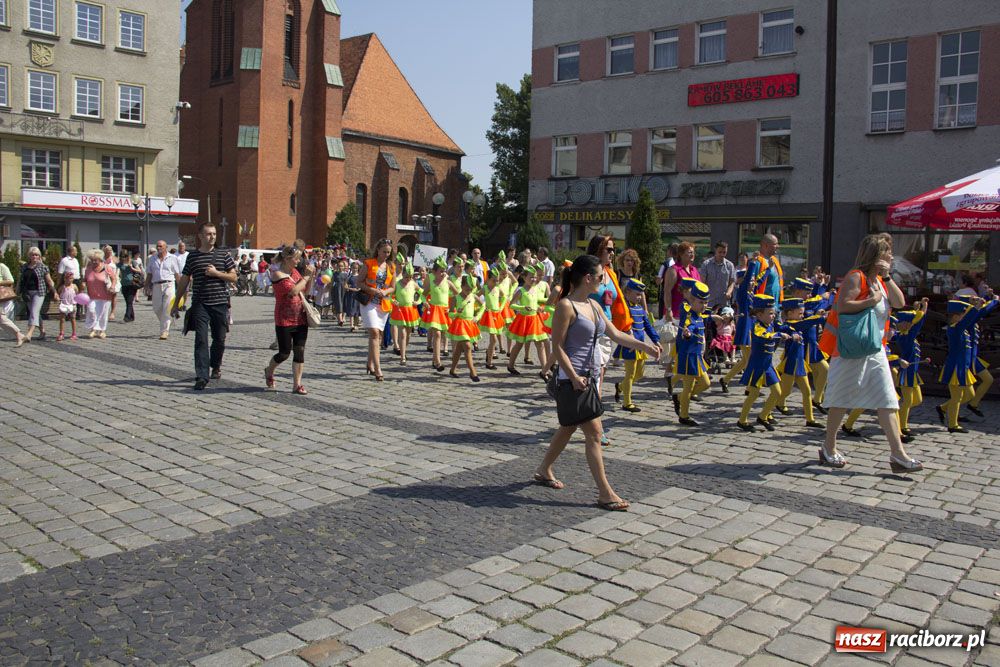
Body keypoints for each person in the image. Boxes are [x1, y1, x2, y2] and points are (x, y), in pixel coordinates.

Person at [533, 255, 660, 512]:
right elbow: (556, 346)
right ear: (588, 278)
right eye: (601, 277)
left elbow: (615, 334)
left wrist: (645, 345)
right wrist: (572, 376)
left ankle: (544, 469)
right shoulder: (566, 306)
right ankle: (605, 493)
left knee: (568, 427)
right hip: (572, 381)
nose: (605, 282)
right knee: (594, 433)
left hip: (587, 379)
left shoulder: (594, 305)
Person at [816, 233, 922, 473]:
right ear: (876, 255)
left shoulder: (880, 280)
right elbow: (843, 306)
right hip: (850, 350)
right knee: (840, 401)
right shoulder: (857, 277)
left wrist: (886, 277)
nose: (892, 256)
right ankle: (828, 447)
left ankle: (898, 455)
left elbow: (899, 301)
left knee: (888, 400)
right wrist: (870, 300)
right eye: (887, 252)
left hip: (875, 351)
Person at [171, 222, 238, 390]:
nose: (212, 237)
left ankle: (215, 365)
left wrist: (217, 273)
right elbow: (185, 279)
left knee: (219, 339)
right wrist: (177, 302)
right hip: (200, 303)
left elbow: (234, 277)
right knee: (200, 339)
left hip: (220, 303)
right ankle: (201, 376)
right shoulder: (192, 257)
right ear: (200, 236)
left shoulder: (224, 255)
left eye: (214, 234)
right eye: (208, 234)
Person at [936, 296, 998, 432]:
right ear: (954, 317)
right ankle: (952, 425)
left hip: (963, 367)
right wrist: (976, 306)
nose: (964, 317)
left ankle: (942, 408)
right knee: (957, 397)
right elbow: (969, 318)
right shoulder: (956, 329)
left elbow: (969, 319)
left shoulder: (960, 328)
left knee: (969, 395)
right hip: (956, 368)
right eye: (961, 315)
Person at [736, 295, 796, 432]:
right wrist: (779, 335)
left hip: (768, 366)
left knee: (777, 392)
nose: (773, 315)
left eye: (774, 312)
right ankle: (742, 420)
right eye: (770, 313)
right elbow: (764, 335)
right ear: (759, 314)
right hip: (757, 366)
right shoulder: (757, 326)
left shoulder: (770, 324)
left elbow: (783, 327)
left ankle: (763, 416)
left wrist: (792, 331)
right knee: (753, 394)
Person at [264, 245, 316, 394]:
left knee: (299, 351)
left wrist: (310, 277)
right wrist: (305, 277)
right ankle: (269, 370)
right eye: (296, 258)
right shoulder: (277, 274)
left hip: (300, 317)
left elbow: (305, 290)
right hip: (284, 319)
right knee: (284, 353)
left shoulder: (295, 273)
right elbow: (293, 291)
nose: (299, 261)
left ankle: (297, 385)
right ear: (287, 259)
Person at [773, 298, 824, 428]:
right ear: (790, 314)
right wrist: (820, 317)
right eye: (800, 313)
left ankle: (810, 419)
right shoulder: (791, 325)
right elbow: (808, 322)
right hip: (791, 364)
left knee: (807, 391)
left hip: (800, 364)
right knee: (784, 392)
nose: (802, 316)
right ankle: (766, 413)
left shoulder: (797, 323)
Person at [612, 279, 661, 413]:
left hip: (640, 346)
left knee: (639, 374)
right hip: (629, 345)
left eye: (641, 295)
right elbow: (620, 325)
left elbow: (648, 327)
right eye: (637, 294)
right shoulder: (624, 308)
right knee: (630, 374)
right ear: (627, 292)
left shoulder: (640, 309)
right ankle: (627, 402)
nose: (639, 297)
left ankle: (621, 387)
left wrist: (656, 341)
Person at [659, 242, 700, 392]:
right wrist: (668, 309)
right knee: (677, 342)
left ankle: (676, 372)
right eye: (689, 252)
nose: (692, 255)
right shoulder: (673, 270)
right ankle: (670, 370)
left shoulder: (695, 270)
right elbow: (667, 291)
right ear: (681, 254)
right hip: (677, 312)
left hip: (692, 312)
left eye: (693, 252)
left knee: (684, 343)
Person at [673, 281, 710, 426]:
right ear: (692, 300)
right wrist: (687, 333)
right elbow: (689, 326)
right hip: (688, 356)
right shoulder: (690, 316)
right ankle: (684, 415)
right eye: (701, 302)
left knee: (705, 383)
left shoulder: (699, 315)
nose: (704, 306)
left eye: (706, 302)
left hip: (697, 357)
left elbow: (704, 318)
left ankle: (680, 398)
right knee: (688, 388)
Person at [892, 300, 928, 442]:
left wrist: (918, 309)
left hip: (913, 373)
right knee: (907, 401)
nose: (910, 324)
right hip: (906, 374)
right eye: (908, 322)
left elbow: (916, 323)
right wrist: (923, 308)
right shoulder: (905, 337)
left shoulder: (908, 334)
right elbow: (918, 323)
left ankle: (900, 417)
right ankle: (902, 426)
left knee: (917, 400)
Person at [360, 239, 395, 381]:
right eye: (384, 251)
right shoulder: (368, 263)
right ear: (378, 250)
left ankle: (370, 363)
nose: (386, 254)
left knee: (378, 336)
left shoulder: (391, 266)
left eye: (388, 252)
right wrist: (372, 290)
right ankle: (378, 368)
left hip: (383, 304)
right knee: (374, 332)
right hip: (369, 302)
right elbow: (359, 282)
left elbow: (393, 286)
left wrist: (386, 293)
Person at [447, 274, 483, 382]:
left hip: (470, 323)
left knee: (459, 348)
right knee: (467, 346)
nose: (469, 290)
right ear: (462, 286)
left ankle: (452, 369)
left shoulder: (473, 296)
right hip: (460, 325)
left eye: (471, 288)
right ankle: (473, 372)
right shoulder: (455, 298)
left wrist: (477, 316)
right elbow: (449, 314)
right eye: (467, 288)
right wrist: (456, 314)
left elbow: (483, 306)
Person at [145, 240, 182, 340]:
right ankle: (169, 320)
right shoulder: (152, 258)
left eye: (161, 246)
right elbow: (149, 273)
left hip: (169, 284)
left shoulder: (173, 258)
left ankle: (164, 331)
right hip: (156, 285)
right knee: (157, 308)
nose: (158, 248)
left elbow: (177, 274)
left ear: (166, 247)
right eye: (157, 246)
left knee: (167, 307)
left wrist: (181, 288)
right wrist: (146, 286)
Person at [389, 256, 421, 365]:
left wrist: (419, 301)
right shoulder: (397, 284)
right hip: (400, 311)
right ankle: (402, 357)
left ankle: (404, 350)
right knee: (402, 334)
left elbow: (423, 293)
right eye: (407, 277)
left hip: (410, 311)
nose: (408, 279)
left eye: (410, 277)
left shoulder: (413, 283)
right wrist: (393, 301)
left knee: (408, 334)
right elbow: (390, 295)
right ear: (403, 275)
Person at [19, 247, 56, 341]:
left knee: (34, 312)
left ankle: (29, 334)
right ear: (29, 256)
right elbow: (21, 280)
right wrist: (17, 292)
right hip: (27, 293)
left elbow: (49, 281)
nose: (34, 256)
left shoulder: (43, 267)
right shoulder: (25, 267)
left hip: (39, 292)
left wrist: (54, 292)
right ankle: (42, 331)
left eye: (36, 255)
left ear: (39, 256)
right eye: (32, 254)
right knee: (34, 312)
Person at [83, 249, 113, 339]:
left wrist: (112, 286)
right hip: (91, 295)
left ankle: (102, 331)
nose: (94, 262)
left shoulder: (107, 267)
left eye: (95, 260)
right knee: (91, 311)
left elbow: (114, 278)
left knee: (103, 314)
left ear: (100, 259)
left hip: (105, 295)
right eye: (92, 260)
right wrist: (83, 284)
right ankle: (93, 329)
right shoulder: (88, 269)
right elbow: (85, 280)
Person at [700, 241, 737, 311]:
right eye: (720, 252)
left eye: (724, 252)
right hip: (709, 302)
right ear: (715, 250)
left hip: (724, 303)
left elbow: (732, 282)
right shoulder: (706, 264)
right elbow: (702, 282)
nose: (722, 254)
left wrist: (729, 292)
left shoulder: (730, 265)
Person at [0, 260, 26, 346]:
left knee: (1, 318)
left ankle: (18, 334)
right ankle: (19, 335)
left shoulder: (2, 266)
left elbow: (10, 280)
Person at [117, 250, 140, 323]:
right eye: (122, 256)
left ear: (128, 256)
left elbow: (139, 271)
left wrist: (132, 268)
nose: (124, 258)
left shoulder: (132, 262)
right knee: (127, 301)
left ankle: (126, 317)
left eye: (125, 256)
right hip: (124, 284)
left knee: (130, 301)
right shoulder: (120, 264)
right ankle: (132, 316)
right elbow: (114, 270)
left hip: (132, 284)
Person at [56, 272, 78, 341]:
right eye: (67, 278)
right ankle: (61, 333)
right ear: (64, 279)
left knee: (73, 319)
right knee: (62, 319)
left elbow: (77, 293)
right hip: (64, 304)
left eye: (71, 278)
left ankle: (74, 333)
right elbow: (59, 293)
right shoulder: (62, 287)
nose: (69, 280)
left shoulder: (74, 286)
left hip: (72, 305)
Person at [103, 246, 120, 321]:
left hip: (113, 278)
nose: (109, 251)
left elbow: (119, 267)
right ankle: (104, 311)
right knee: (104, 296)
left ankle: (112, 312)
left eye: (110, 250)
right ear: (104, 251)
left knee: (113, 295)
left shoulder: (115, 259)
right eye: (107, 250)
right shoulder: (101, 259)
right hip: (104, 278)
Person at [175, 240, 190, 309]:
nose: (181, 247)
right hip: (176, 275)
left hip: (186, 275)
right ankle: (177, 303)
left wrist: (191, 275)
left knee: (186, 291)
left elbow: (191, 265)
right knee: (177, 290)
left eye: (182, 246)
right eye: (180, 246)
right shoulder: (175, 255)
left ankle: (183, 304)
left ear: (185, 247)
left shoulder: (188, 254)